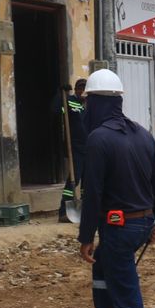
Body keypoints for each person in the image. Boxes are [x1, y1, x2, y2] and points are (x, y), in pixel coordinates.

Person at [72, 68, 155, 308]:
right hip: (141, 223)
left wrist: (85, 237)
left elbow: (93, 194)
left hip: (120, 227)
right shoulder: (143, 134)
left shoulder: (99, 139)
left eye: (87, 103)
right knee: (103, 267)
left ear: (94, 102)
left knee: (126, 288)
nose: (85, 109)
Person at [58, 78, 88, 223]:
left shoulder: (90, 105)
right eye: (79, 88)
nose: (82, 91)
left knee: (87, 180)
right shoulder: (69, 101)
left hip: (90, 147)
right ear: (76, 90)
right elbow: (56, 109)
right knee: (73, 179)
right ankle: (63, 211)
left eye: (84, 89)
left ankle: (85, 209)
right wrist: (61, 94)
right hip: (75, 148)